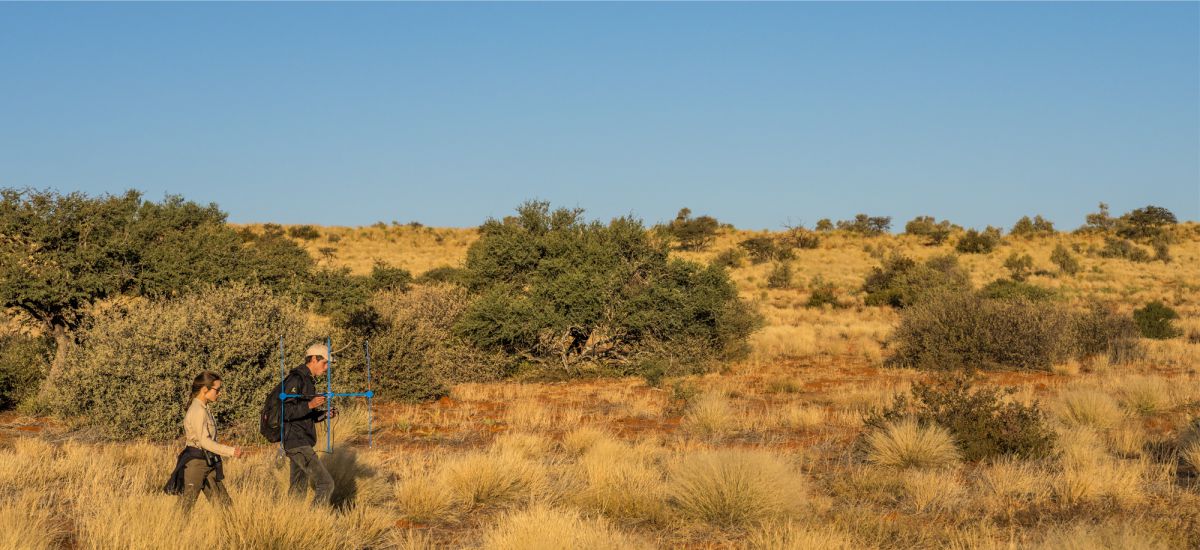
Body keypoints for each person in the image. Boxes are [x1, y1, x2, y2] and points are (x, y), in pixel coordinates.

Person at [173, 371, 244, 512]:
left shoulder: (204, 409)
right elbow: (204, 442)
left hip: (208, 461)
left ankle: (233, 532)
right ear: (205, 389)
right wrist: (230, 451)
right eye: (217, 390)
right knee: (184, 508)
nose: (219, 393)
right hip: (196, 463)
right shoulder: (198, 410)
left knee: (224, 505)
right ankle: (174, 533)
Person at [281, 343, 337, 506]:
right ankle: (316, 522)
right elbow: (286, 411)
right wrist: (310, 405)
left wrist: (323, 415)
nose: (326, 368)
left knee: (298, 487)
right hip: (296, 441)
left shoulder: (307, 381)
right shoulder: (296, 379)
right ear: (313, 359)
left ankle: (293, 522)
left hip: (299, 440)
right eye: (324, 363)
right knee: (326, 484)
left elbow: (303, 415)